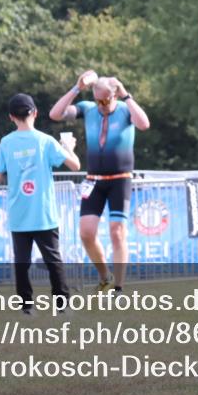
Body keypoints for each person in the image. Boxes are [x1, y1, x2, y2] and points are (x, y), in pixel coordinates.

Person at [49, 71, 150, 294]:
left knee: (117, 232)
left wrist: (127, 95)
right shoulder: (88, 109)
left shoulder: (125, 109)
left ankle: (119, 288)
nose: (102, 105)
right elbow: (55, 114)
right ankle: (105, 276)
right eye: (98, 100)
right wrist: (76, 88)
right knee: (86, 232)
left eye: (106, 100)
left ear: (114, 95)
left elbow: (144, 124)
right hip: (94, 180)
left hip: (120, 179)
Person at [0, 94, 81, 314]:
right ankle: (63, 305)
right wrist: (68, 147)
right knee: (53, 260)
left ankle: (26, 307)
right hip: (44, 212)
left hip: (18, 212)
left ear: (11, 117)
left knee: (22, 262)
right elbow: (75, 165)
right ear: (35, 113)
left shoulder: (6, 142)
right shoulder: (45, 141)